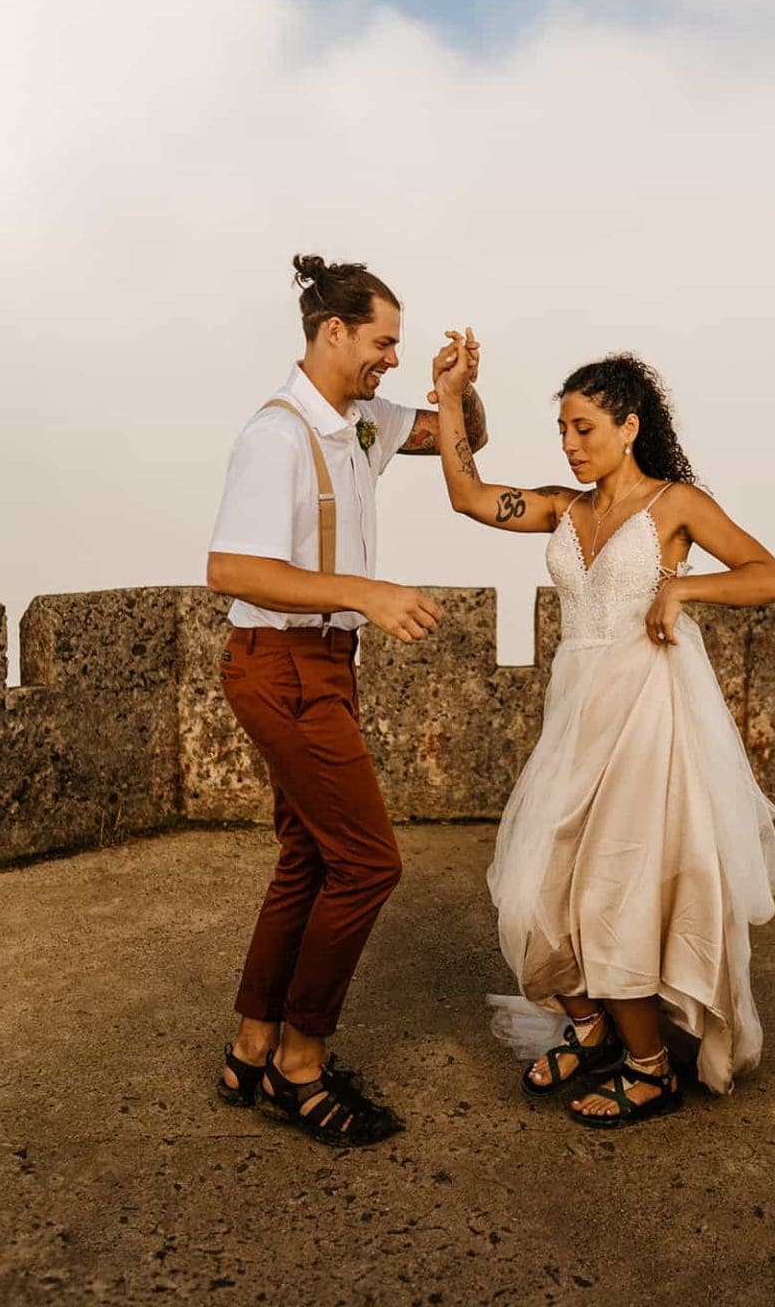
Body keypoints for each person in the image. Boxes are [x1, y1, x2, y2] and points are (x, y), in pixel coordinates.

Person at [434, 340, 775, 1127]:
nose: (569, 444)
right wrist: (452, 395)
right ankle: (590, 1028)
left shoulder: (676, 505)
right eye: (562, 429)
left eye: (584, 427)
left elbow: (770, 576)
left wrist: (684, 589)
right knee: (529, 891)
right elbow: (467, 496)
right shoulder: (566, 508)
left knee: (614, 893)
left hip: (650, 714)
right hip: (578, 713)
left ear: (629, 427)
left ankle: (651, 1067)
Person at [207, 255, 486, 1147]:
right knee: (368, 864)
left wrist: (458, 389)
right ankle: (300, 1063)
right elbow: (231, 570)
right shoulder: (278, 435)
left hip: (324, 664)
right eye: (383, 341)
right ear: (334, 332)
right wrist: (367, 593)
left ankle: (251, 1044)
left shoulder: (361, 420)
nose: (391, 359)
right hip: (282, 664)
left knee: (308, 854)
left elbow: (457, 437)